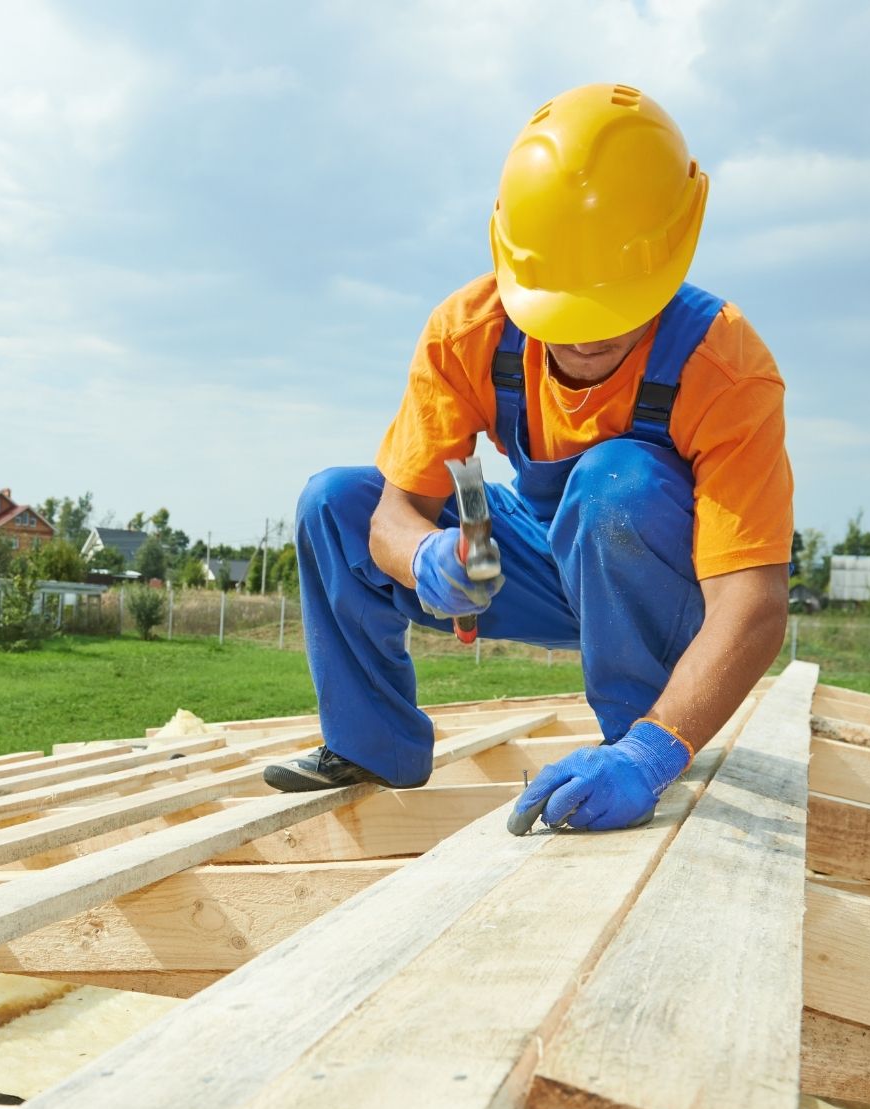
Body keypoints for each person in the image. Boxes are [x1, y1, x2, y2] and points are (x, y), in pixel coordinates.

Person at [266, 83, 792, 833]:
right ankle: (373, 744)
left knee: (616, 481)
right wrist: (423, 558)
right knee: (335, 500)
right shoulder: (469, 332)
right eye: (563, 309)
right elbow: (392, 514)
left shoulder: (725, 365)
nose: (581, 340)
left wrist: (651, 755)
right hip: (540, 559)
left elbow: (752, 603)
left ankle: (638, 740)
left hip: (655, 583)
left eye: (609, 310)